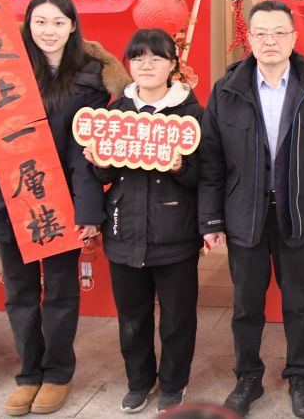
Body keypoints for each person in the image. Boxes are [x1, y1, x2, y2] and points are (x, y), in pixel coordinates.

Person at [0, 0, 127, 417]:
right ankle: (28, 374)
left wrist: (86, 211)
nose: (48, 30)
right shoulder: (6, 69)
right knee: (19, 293)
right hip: (9, 197)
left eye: (58, 22)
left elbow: (82, 154)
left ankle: (57, 373)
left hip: (58, 202)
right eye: (40, 21)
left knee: (59, 292)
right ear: (28, 25)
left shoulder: (90, 77)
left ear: (72, 26)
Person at [198, 0, 304, 418]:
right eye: (261, 33)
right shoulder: (227, 90)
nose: (270, 41)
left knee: (298, 301)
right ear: (250, 38)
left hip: (299, 212)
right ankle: (248, 377)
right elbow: (211, 161)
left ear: (294, 37)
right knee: (246, 304)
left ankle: (299, 375)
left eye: (279, 32)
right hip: (245, 215)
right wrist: (211, 219)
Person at [84, 29, 203, 414]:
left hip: (176, 233)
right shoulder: (114, 113)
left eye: (156, 58)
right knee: (132, 318)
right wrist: (98, 161)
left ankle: (173, 383)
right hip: (123, 230)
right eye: (137, 58)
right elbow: (105, 176)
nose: (146, 65)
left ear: (172, 64)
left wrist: (180, 166)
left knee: (177, 318)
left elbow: (206, 175)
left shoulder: (192, 115)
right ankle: (139, 381)